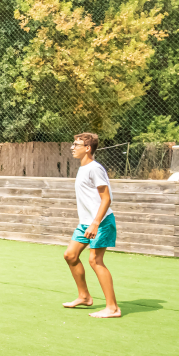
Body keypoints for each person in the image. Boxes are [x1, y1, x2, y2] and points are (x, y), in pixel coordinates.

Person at [63, 132, 120, 318]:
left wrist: (95, 223)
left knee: (95, 261)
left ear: (87, 148)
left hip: (101, 222)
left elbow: (107, 198)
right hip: (86, 223)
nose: (72, 147)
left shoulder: (95, 168)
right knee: (70, 255)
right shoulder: (83, 168)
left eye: (76, 144)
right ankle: (85, 297)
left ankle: (112, 308)